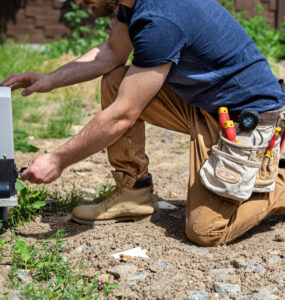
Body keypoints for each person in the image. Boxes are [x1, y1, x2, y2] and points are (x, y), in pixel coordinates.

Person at [1, 0, 285, 246]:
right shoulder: (132, 4)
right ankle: (133, 192)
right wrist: (50, 78)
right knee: (116, 81)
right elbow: (113, 51)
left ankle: (278, 185)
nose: (77, 1)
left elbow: (122, 116)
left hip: (244, 118)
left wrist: (58, 160)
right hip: (205, 104)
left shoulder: (159, 19)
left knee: (207, 230)